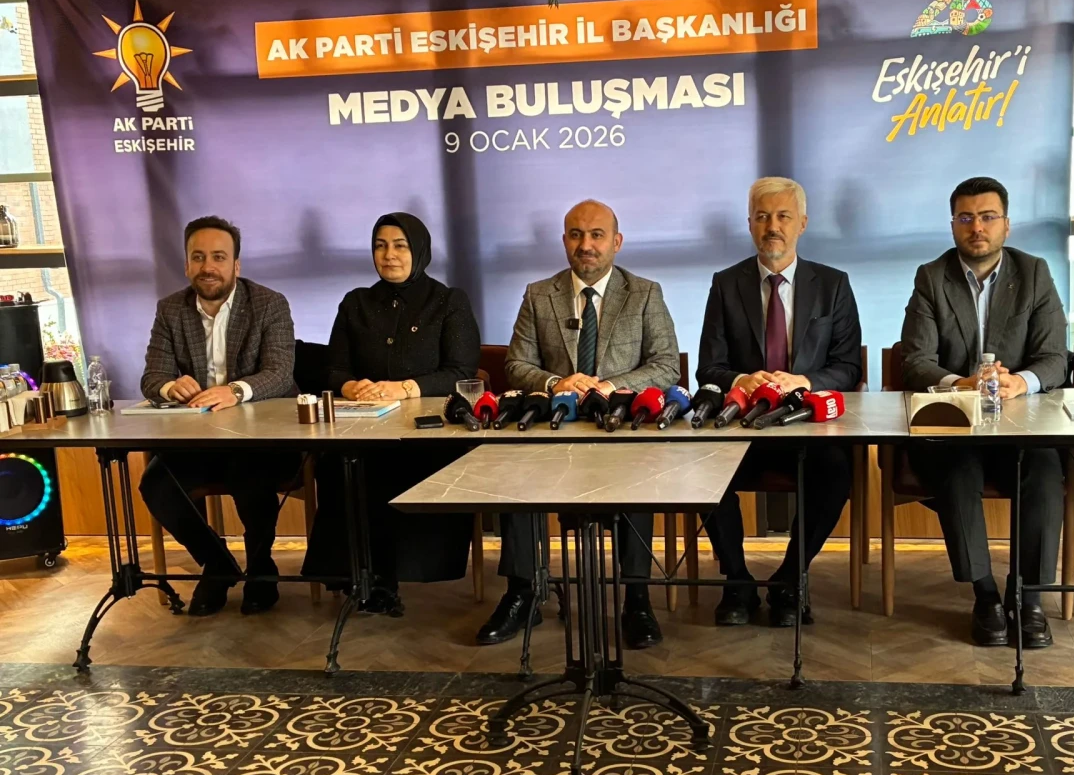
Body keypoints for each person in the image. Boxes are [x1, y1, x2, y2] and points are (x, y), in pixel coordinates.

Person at [478, 199, 680, 649]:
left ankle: (636, 599)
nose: (585, 245)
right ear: (564, 240)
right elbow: (516, 365)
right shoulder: (539, 293)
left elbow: (666, 365)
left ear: (616, 242)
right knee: (515, 471)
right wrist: (557, 382)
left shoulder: (644, 293)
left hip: (620, 427)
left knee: (640, 470)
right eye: (576, 235)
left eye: (596, 235)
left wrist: (610, 385)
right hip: (555, 429)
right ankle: (523, 593)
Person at [900, 177, 1069, 649]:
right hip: (956, 423)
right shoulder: (932, 277)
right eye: (966, 218)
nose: (977, 227)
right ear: (953, 225)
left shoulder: (1034, 273)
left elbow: (1056, 357)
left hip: (1020, 425)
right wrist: (961, 383)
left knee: (1044, 470)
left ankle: (1029, 598)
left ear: (1006, 225)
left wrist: (1022, 381)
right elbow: (915, 360)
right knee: (956, 470)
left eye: (988, 217)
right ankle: (986, 594)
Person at [697, 177, 862, 627]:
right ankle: (737, 581)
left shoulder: (833, 284)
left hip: (805, 424)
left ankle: (790, 578)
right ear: (749, 224)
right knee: (704, 468)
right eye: (762, 217)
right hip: (742, 424)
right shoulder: (725, 284)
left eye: (783, 216)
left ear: (802, 224)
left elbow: (849, 367)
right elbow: (709, 367)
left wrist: (804, 381)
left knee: (836, 471)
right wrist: (743, 379)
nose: (773, 226)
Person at [302, 213, 480, 615]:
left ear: (419, 250)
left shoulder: (448, 301)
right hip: (363, 426)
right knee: (340, 465)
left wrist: (403, 388)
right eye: (380, 246)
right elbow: (334, 370)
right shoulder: (356, 303)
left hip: (426, 432)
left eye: (400, 245)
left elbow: (461, 372)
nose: (389, 255)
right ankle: (360, 574)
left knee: (402, 466)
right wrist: (352, 387)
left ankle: (395, 573)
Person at [139, 216, 298, 617]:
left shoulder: (269, 303)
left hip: (261, 440)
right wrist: (169, 387)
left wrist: (235, 391)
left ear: (236, 265)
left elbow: (280, 373)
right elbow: (152, 377)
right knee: (156, 484)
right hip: (199, 441)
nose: (208, 266)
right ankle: (217, 564)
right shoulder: (170, 310)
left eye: (218, 257)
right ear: (186, 265)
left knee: (250, 474)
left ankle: (261, 569)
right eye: (198, 257)